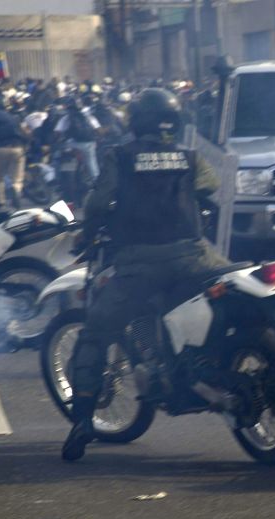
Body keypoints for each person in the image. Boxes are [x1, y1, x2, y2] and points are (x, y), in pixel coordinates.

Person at [61, 88, 230, 462]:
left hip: (140, 264)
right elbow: (210, 187)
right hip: (198, 258)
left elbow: (98, 203)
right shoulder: (188, 156)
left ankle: (83, 420)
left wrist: (87, 235)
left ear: (135, 121)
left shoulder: (119, 157)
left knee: (95, 332)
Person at [0, 95, 28, 210]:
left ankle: (1, 202)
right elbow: (24, 132)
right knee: (17, 177)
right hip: (17, 148)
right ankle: (16, 188)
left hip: (0, 149)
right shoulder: (13, 116)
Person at [55, 96, 101, 181]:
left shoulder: (66, 117)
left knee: (56, 155)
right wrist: (97, 139)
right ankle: (96, 180)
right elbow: (98, 129)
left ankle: (56, 178)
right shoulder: (88, 116)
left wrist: (57, 142)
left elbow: (58, 132)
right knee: (92, 162)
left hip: (73, 144)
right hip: (89, 144)